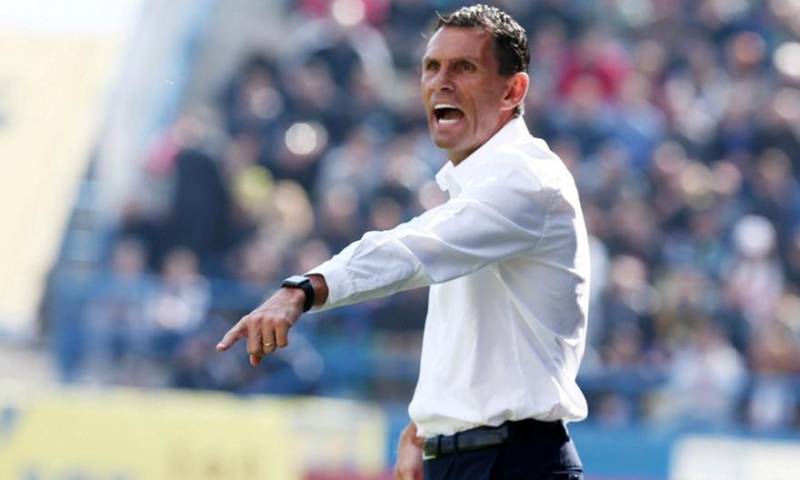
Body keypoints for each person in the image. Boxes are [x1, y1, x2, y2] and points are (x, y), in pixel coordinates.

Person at [217, 5, 589, 479]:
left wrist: (304, 289)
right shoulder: (477, 185)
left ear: (513, 90)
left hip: (515, 463)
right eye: (432, 67)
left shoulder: (526, 181)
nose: (440, 83)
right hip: (474, 458)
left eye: (464, 68)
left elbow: (411, 250)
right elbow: (480, 332)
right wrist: (428, 427)